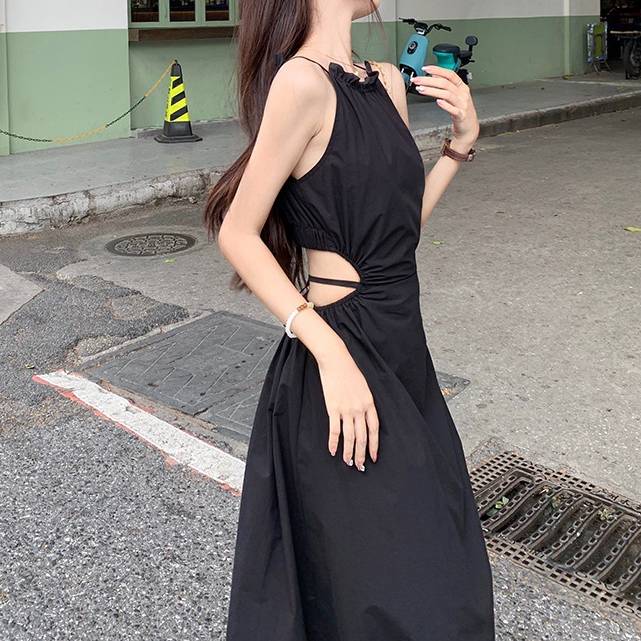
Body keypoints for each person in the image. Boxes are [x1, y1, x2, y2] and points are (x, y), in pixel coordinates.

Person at [203, 0, 495, 639]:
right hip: (342, 351)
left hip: (403, 345)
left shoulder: (386, 81)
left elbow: (396, 232)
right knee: (384, 586)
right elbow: (238, 233)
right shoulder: (301, 83)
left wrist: (459, 147)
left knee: (440, 563)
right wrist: (330, 353)